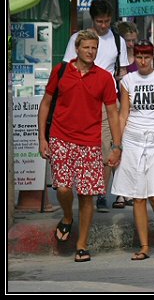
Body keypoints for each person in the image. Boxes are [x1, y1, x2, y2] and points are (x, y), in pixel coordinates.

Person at [37, 30, 121, 262]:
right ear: (77, 49)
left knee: (86, 195)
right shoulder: (61, 71)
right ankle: (66, 217)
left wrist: (116, 146)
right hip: (60, 138)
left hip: (90, 143)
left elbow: (113, 113)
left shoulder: (104, 77)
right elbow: (45, 104)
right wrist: (42, 138)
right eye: (86, 47)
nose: (91, 51)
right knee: (63, 188)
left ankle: (82, 244)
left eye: (94, 48)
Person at [110, 40, 154, 260]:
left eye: (146, 57)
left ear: (152, 57)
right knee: (138, 196)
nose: (142, 61)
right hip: (132, 140)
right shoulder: (128, 80)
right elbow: (123, 114)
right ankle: (144, 246)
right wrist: (118, 145)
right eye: (138, 57)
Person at [63, 0, 129, 213]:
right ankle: (81, 189)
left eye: (107, 21)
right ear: (92, 20)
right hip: (79, 101)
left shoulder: (117, 41)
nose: (103, 25)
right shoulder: (78, 39)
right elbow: (67, 70)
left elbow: (124, 74)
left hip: (106, 101)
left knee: (107, 147)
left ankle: (101, 192)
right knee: (79, 147)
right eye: (100, 21)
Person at [114, 20, 140, 208]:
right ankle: (120, 194)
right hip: (117, 107)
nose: (130, 44)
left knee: (133, 154)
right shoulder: (116, 58)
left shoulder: (141, 58)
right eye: (127, 40)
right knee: (118, 148)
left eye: (133, 40)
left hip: (137, 111)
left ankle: (131, 191)